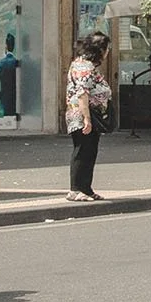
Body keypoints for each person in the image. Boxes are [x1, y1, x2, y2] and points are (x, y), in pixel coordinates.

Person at [65, 31, 113, 203]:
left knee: (89, 150)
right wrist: (87, 119)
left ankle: (85, 188)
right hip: (83, 114)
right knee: (83, 151)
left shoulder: (83, 64)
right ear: (99, 49)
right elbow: (82, 94)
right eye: (106, 48)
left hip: (84, 114)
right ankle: (76, 189)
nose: (107, 52)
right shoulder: (84, 67)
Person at [0, 33, 20, 121]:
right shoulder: (16, 62)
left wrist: (0, 95)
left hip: (5, 97)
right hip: (15, 97)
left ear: (6, 46)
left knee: (7, 119)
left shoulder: (2, 63)